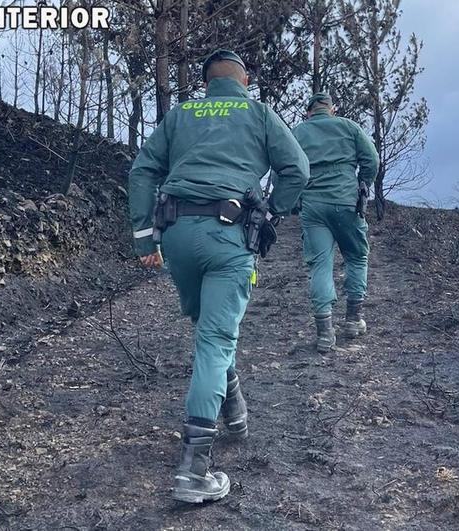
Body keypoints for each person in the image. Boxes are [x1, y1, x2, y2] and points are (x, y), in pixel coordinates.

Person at [128, 49, 309, 503]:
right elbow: (297, 170)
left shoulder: (181, 115)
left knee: (207, 329)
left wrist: (144, 238)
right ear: (244, 80)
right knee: (215, 340)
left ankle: (235, 412)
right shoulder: (258, 112)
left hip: (177, 236)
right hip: (228, 238)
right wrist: (274, 213)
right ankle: (193, 471)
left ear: (207, 83)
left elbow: (143, 169)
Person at [292, 92, 380, 352]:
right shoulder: (348, 127)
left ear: (309, 112)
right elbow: (371, 160)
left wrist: (295, 199)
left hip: (313, 206)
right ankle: (353, 320)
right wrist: (363, 184)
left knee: (320, 264)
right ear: (332, 109)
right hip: (346, 202)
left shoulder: (297, 132)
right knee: (356, 257)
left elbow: (286, 167)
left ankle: (324, 333)